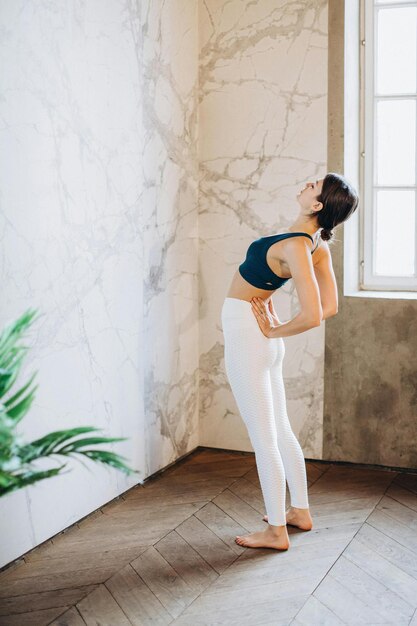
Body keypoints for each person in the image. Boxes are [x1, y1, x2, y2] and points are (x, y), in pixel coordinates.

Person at [221, 172, 359, 550]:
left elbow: (316, 314)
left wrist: (272, 331)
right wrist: (273, 332)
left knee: (264, 439)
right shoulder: (315, 245)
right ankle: (299, 511)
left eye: (314, 185)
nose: (306, 183)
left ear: (317, 205)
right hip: (260, 339)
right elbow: (330, 306)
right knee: (279, 430)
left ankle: (276, 531)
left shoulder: (298, 246)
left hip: (250, 338)